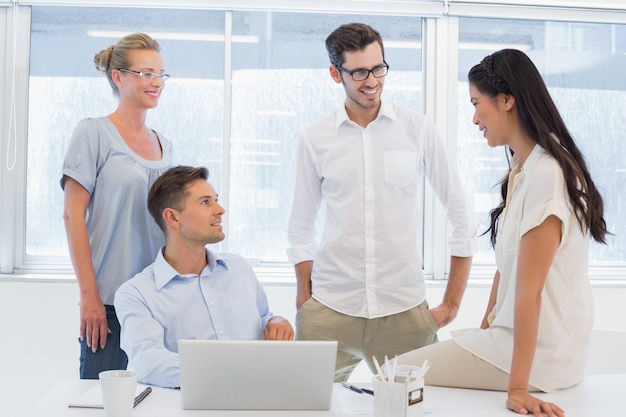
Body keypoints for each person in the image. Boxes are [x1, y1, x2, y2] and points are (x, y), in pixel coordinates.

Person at [398, 49, 609, 417]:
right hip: (526, 344)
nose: (474, 117)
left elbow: (531, 292)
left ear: (507, 100)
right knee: (410, 367)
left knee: (397, 372)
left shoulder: (547, 175)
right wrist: (485, 329)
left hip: (542, 356)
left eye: (477, 103)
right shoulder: (525, 168)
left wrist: (518, 389)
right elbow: (506, 268)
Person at [287, 22, 477, 382]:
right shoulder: (314, 138)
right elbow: (300, 226)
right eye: (359, 71)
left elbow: (460, 215)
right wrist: (305, 302)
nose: (372, 80)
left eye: (378, 68)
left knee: (416, 409)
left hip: (403, 309)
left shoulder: (418, 129)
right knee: (308, 406)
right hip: (330, 309)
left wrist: (452, 304)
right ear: (335, 73)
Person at [114, 166, 294, 388]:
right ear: (173, 217)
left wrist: (275, 322)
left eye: (216, 199)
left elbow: (264, 317)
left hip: (257, 399)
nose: (220, 210)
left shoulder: (239, 269)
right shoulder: (137, 293)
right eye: (205, 202)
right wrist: (226, 375)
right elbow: (147, 362)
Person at [61, 33, 173, 379]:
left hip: (157, 300)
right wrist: (89, 296)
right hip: (109, 302)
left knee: (159, 402)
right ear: (118, 77)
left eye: (161, 74)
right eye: (146, 73)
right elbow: (72, 215)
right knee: (101, 403)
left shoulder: (165, 145)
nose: (156, 83)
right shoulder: (93, 133)